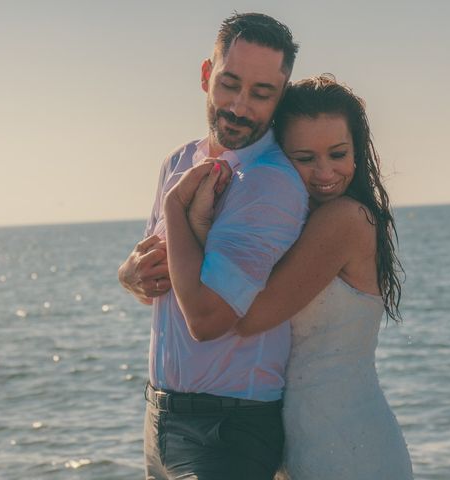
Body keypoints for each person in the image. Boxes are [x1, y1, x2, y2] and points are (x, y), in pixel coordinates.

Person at [167, 75, 413, 479]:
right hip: (295, 442)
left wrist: (189, 218)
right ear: (281, 157)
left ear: (358, 153)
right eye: (304, 157)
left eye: (338, 154)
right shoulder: (290, 223)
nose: (325, 173)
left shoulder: (345, 219)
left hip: (348, 446)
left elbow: (245, 316)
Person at [118, 12, 308, 480]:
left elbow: (206, 320)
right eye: (230, 84)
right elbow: (157, 285)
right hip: (159, 418)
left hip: (230, 428)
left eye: (261, 93)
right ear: (207, 76)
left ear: (280, 96)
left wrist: (176, 208)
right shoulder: (178, 161)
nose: (240, 106)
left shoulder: (272, 185)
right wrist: (128, 276)